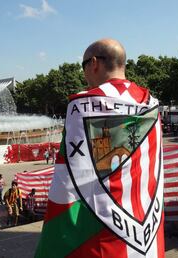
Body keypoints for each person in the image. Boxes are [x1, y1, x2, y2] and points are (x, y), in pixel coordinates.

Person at [35, 39, 165, 257]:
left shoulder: (82, 105)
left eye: (83, 66)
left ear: (94, 63)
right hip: (145, 234)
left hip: (101, 237)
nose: (84, 74)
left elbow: (70, 180)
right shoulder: (151, 103)